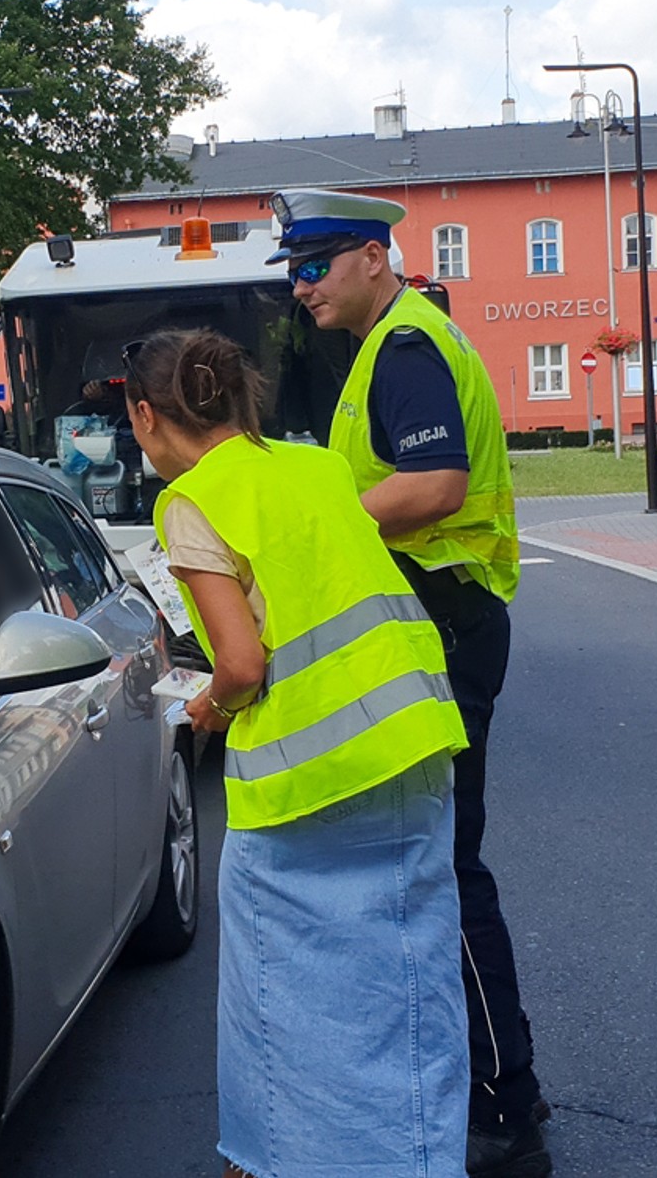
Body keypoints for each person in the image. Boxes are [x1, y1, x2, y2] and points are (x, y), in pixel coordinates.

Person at [124, 329, 471, 1178]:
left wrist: (208, 706)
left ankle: (299, 1163)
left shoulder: (192, 501)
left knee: (291, 1003)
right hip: (416, 742)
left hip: (305, 786)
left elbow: (242, 663)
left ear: (144, 415)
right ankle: (422, 1162)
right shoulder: (317, 467)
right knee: (413, 981)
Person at [267, 188, 545, 1177]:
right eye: (291, 271)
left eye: (313, 266)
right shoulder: (385, 345)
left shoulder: (406, 346)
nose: (298, 288)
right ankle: (475, 1092)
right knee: (430, 867)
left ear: (373, 258)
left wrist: (311, 538)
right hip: (436, 631)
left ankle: (503, 1112)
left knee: (442, 872)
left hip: (446, 628)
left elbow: (434, 487)